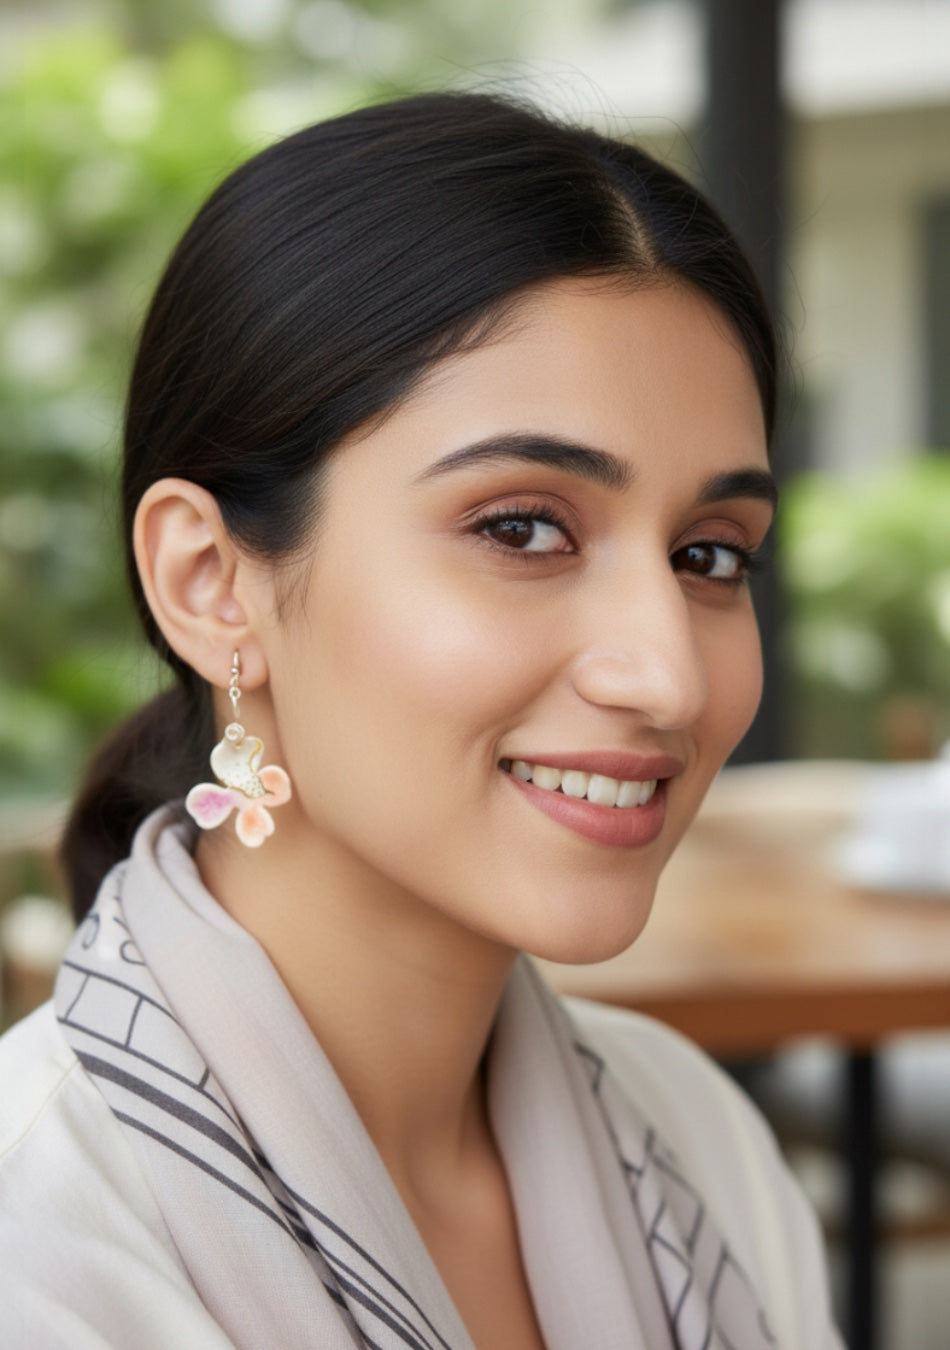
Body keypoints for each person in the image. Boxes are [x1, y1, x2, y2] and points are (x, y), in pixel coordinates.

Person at [0, 91, 843, 1348]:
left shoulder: (694, 1139)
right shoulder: (41, 1235)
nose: (667, 676)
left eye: (709, 555)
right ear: (209, 582)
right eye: (522, 529)